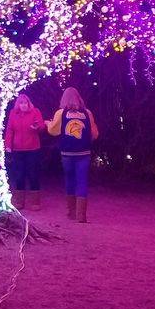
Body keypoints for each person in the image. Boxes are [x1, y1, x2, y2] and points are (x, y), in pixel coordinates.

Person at [46, 87, 99, 223]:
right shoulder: (87, 113)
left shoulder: (60, 113)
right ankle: (81, 215)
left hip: (67, 153)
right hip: (84, 152)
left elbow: (53, 131)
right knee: (82, 181)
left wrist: (48, 123)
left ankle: (71, 212)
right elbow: (95, 134)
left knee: (70, 180)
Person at [4, 92, 45, 210]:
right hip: (17, 149)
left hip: (33, 148)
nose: (23, 105)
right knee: (19, 175)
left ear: (28, 103)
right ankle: (19, 201)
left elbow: (41, 125)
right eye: (21, 103)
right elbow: (9, 130)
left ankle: (35, 202)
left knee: (33, 174)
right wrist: (8, 145)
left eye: (25, 103)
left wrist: (37, 127)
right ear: (18, 104)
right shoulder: (13, 114)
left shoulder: (35, 112)